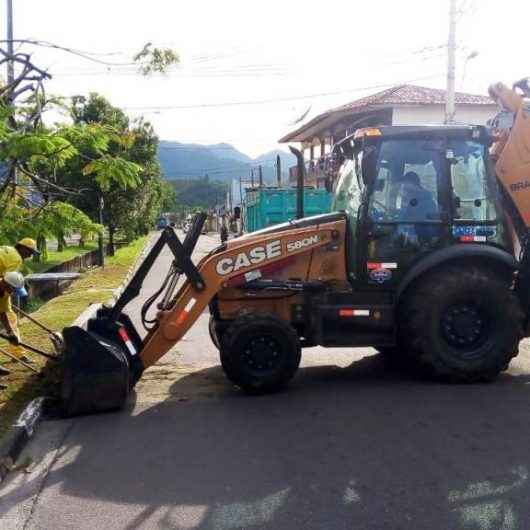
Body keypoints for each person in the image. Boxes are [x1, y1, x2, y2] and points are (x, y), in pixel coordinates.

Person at [0, 272, 28, 377]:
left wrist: (10, 332)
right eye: (13, 289)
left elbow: (2, 313)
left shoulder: (5, 294)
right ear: (5, 283)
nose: (13, 293)